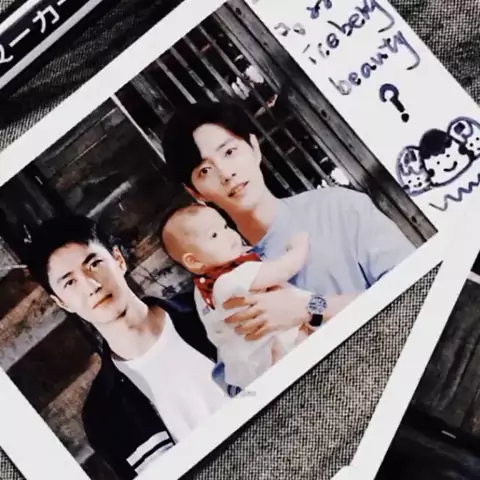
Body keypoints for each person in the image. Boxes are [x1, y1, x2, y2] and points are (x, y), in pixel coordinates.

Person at [162, 100, 416, 340]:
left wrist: (312, 308)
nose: (226, 173)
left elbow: (416, 286)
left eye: (229, 152)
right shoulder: (216, 283)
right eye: (205, 171)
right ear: (196, 193)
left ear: (254, 148)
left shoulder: (340, 207)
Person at [25, 215, 229, 480]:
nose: (92, 285)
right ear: (62, 303)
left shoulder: (208, 308)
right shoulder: (103, 415)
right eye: (70, 282)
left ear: (118, 260)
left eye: (94, 264)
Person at [160, 203, 312, 388]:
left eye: (225, 226)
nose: (229, 235)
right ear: (194, 261)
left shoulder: (203, 291)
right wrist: (298, 246)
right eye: (214, 235)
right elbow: (283, 269)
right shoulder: (229, 280)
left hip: (252, 363)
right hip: (273, 351)